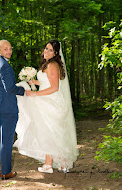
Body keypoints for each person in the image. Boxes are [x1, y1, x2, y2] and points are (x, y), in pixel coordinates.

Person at [14, 39, 78, 173]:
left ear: (55, 53)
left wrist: (35, 94)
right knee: (49, 133)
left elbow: (54, 88)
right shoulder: (48, 65)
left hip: (51, 102)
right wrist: (34, 81)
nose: (46, 51)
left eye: (50, 50)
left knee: (53, 133)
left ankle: (61, 163)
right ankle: (51, 164)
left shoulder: (52, 65)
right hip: (46, 101)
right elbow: (46, 82)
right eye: (46, 48)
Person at [0, 39, 25, 180]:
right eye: (5, 49)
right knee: (6, 140)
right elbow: (10, 89)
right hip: (6, 109)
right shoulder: (5, 66)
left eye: (10, 48)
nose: (9, 51)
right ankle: (6, 172)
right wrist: (23, 90)